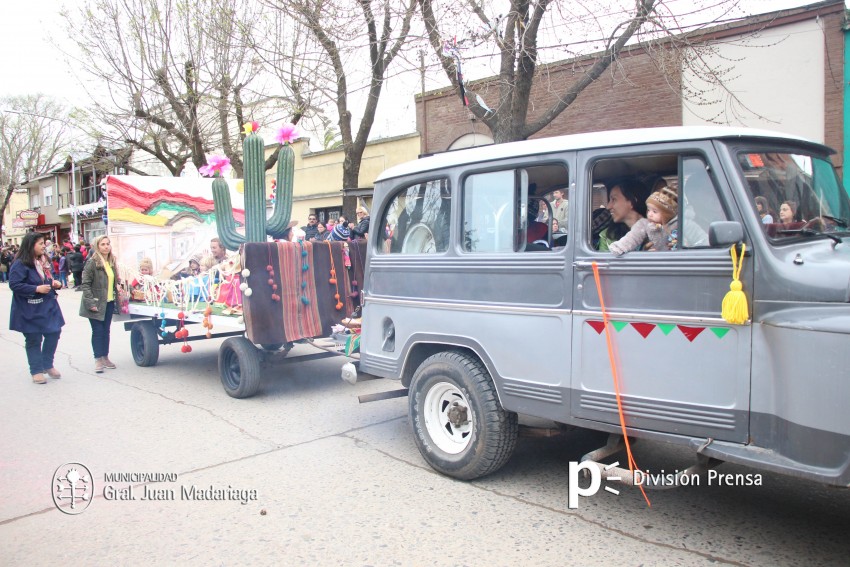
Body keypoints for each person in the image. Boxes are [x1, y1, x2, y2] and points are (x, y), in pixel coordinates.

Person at [8, 232, 65, 384]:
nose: (43, 246)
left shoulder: (43, 261)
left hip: (48, 306)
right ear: (30, 245)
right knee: (34, 338)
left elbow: (48, 278)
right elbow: (14, 284)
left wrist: (55, 283)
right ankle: (36, 370)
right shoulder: (20, 263)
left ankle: (47, 364)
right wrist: (36, 289)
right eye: (40, 244)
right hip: (30, 309)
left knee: (54, 332)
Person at [79, 235, 120, 373]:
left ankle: (105, 357)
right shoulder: (92, 262)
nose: (106, 246)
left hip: (108, 302)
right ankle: (98, 359)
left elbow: (114, 280)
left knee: (106, 330)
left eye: (108, 244)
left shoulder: (111, 261)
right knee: (98, 331)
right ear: (97, 246)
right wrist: (90, 302)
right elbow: (85, 284)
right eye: (103, 244)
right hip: (96, 302)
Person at [609, 184, 679, 255]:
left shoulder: (677, 225)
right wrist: (619, 247)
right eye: (648, 210)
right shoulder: (644, 224)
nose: (650, 214)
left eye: (655, 211)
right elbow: (633, 237)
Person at [595, 179, 650, 252]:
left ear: (632, 202)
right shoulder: (607, 236)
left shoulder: (655, 230)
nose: (608, 207)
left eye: (614, 199)